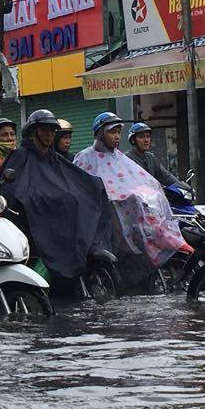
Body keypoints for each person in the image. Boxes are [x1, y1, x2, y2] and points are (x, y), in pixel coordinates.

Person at [0, 110, 113, 290]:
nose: (48, 135)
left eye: (51, 130)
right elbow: (10, 190)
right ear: (34, 132)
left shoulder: (53, 158)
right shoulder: (20, 156)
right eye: (44, 130)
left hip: (59, 214)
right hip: (32, 218)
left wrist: (95, 187)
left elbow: (73, 180)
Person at [74, 113, 186, 284]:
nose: (117, 136)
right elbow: (80, 189)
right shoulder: (85, 157)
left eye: (119, 132)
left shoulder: (123, 158)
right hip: (99, 219)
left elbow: (142, 182)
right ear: (100, 133)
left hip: (126, 217)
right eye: (113, 132)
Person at [125, 122, 179, 187]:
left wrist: (182, 187)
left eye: (148, 137)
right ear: (133, 140)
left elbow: (166, 177)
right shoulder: (127, 158)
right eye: (142, 137)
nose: (146, 140)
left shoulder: (151, 157)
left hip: (152, 195)